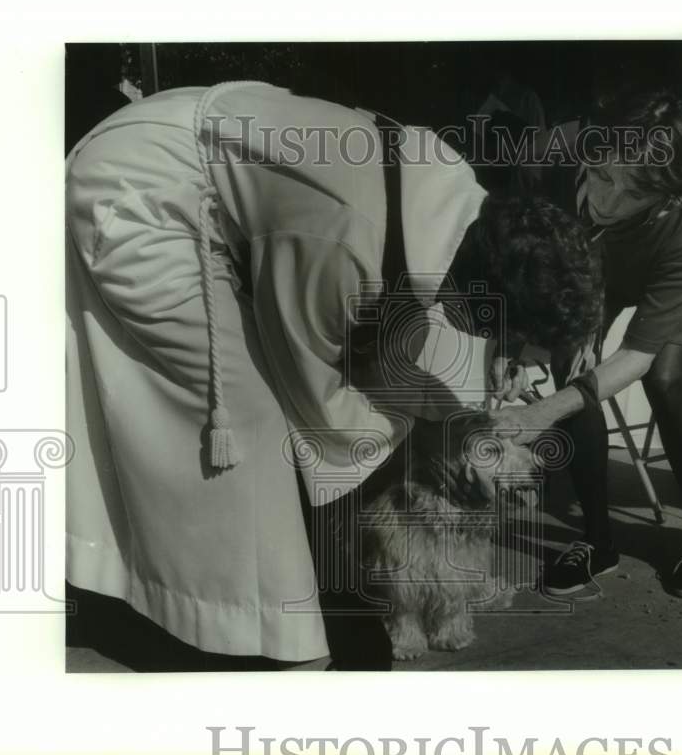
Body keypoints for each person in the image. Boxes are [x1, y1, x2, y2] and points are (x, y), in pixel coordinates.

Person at [66, 80, 602, 670]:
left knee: (390, 380)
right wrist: (438, 421)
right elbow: (313, 388)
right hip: (141, 192)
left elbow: (398, 318)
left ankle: (279, 601)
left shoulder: (463, 208)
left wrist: (458, 393)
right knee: (252, 416)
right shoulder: (338, 241)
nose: (501, 345)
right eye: (504, 330)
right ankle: (246, 623)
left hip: (228, 176)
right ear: (483, 295)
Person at [489, 89, 682, 598]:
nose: (604, 200)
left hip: (658, 262)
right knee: (571, 373)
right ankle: (597, 540)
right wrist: (513, 336)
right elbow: (530, 255)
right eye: (600, 175)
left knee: (664, 377)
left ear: (667, 194)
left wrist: (538, 414)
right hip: (593, 258)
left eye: (631, 192)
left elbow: (636, 356)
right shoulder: (557, 148)